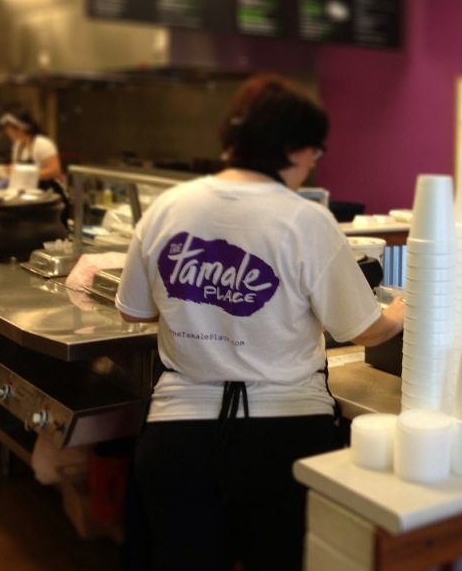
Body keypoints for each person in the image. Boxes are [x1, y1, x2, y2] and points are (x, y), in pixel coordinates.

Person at [115, 73, 405, 571]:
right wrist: (398, 314)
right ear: (294, 148)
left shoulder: (167, 208)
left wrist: (200, 306)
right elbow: (362, 330)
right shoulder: (306, 220)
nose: (312, 163)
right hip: (286, 436)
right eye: (314, 152)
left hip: (178, 436)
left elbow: (133, 309)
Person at [0, 109, 65, 190]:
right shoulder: (17, 146)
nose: (7, 132)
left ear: (20, 128)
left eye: (8, 129)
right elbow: (16, 169)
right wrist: (11, 170)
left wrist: (22, 173)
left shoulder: (42, 143)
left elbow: (55, 172)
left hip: (47, 190)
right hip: (26, 189)